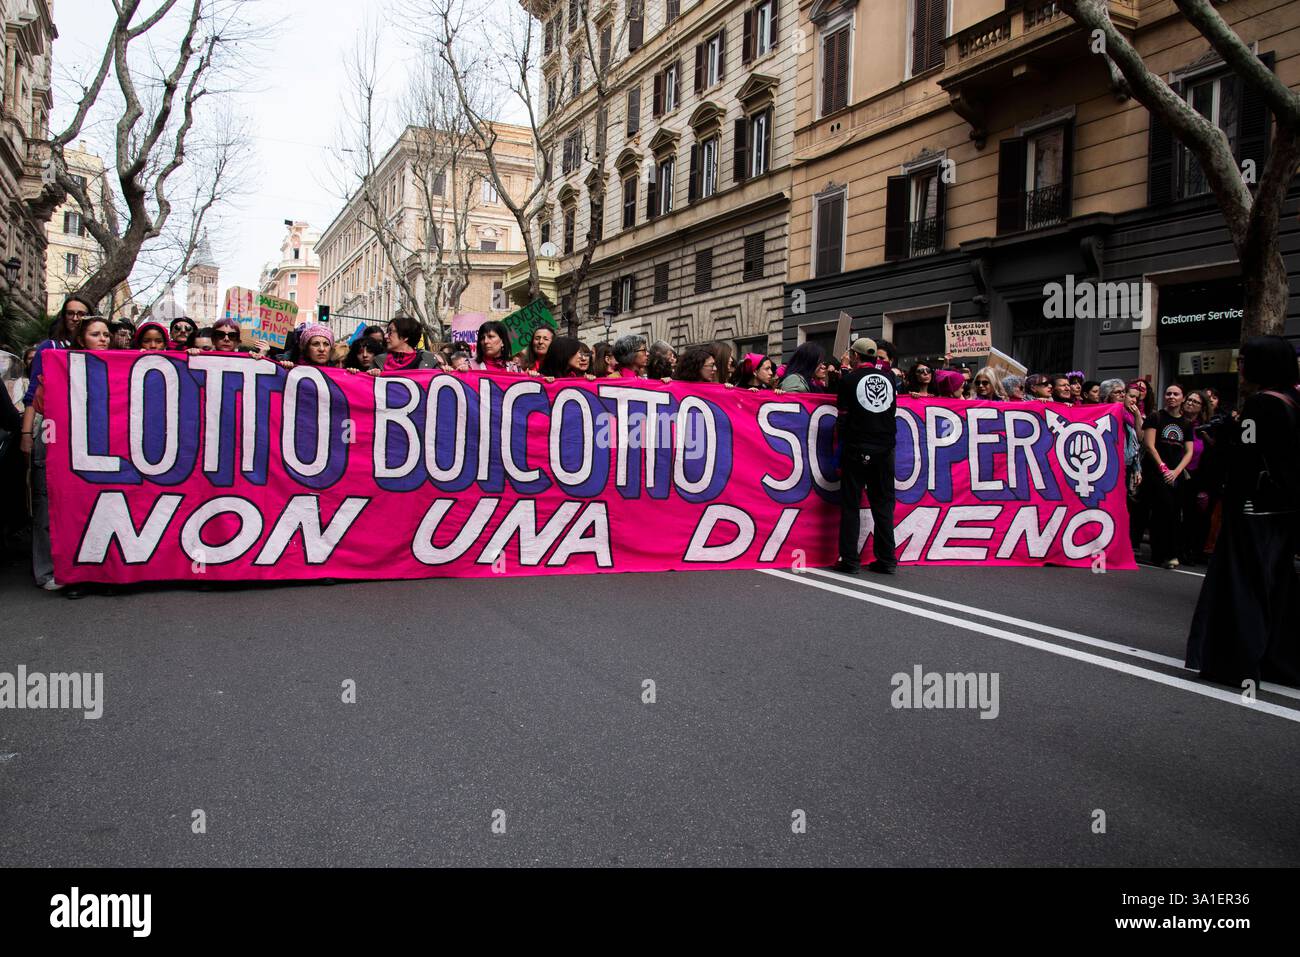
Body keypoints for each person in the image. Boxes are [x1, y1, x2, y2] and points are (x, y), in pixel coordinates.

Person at [1187, 336, 1300, 688]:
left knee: (1242, 584)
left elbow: (1246, 458)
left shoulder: (1260, 404)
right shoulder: (1294, 400)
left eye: (1245, 359)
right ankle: (1279, 661)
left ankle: (1234, 661)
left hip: (1251, 509)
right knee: (1277, 585)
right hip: (1284, 510)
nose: (1240, 366)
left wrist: (1226, 441)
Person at [21, 315, 113, 592]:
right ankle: (49, 571)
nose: (103, 339)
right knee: (50, 509)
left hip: (96, 449)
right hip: (58, 446)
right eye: (96, 334)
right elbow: (38, 402)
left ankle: (91, 572)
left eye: (106, 334)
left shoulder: (119, 366)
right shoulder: (59, 364)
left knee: (90, 509)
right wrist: (27, 434)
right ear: (81, 338)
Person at [835, 338, 898, 575]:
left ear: (855, 356)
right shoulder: (890, 379)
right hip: (885, 449)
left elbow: (842, 415)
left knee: (851, 503)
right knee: (883, 504)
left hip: (858, 447)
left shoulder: (849, 380)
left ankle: (850, 559)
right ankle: (887, 558)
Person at [1140, 382, 1194, 568]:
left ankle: (1167, 552)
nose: (1171, 397)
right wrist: (1163, 468)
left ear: (1183, 398)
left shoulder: (1186, 424)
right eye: (1168, 393)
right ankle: (1163, 553)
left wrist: (1176, 471)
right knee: (1162, 510)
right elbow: (1149, 445)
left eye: (1176, 394)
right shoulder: (1156, 417)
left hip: (1175, 473)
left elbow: (1189, 451)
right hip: (1156, 473)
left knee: (1173, 512)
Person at [372, 316, 442, 373]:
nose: (385, 336)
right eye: (387, 332)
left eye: (390, 332)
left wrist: (447, 372)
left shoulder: (429, 360)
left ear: (405, 336)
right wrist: (371, 375)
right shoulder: (379, 361)